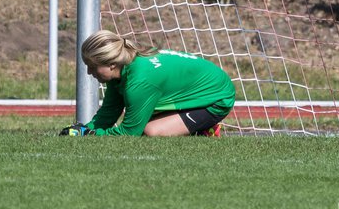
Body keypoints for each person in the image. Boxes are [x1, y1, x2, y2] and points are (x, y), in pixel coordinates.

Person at [61, 29, 236, 137]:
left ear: (112, 64)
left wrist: (92, 136)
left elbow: (129, 134)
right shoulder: (123, 68)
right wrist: (84, 129)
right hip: (201, 85)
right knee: (142, 119)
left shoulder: (140, 82)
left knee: (150, 131)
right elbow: (109, 112)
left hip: (217, 98)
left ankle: (205, 129)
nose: (89, 72)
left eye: (92, 66)